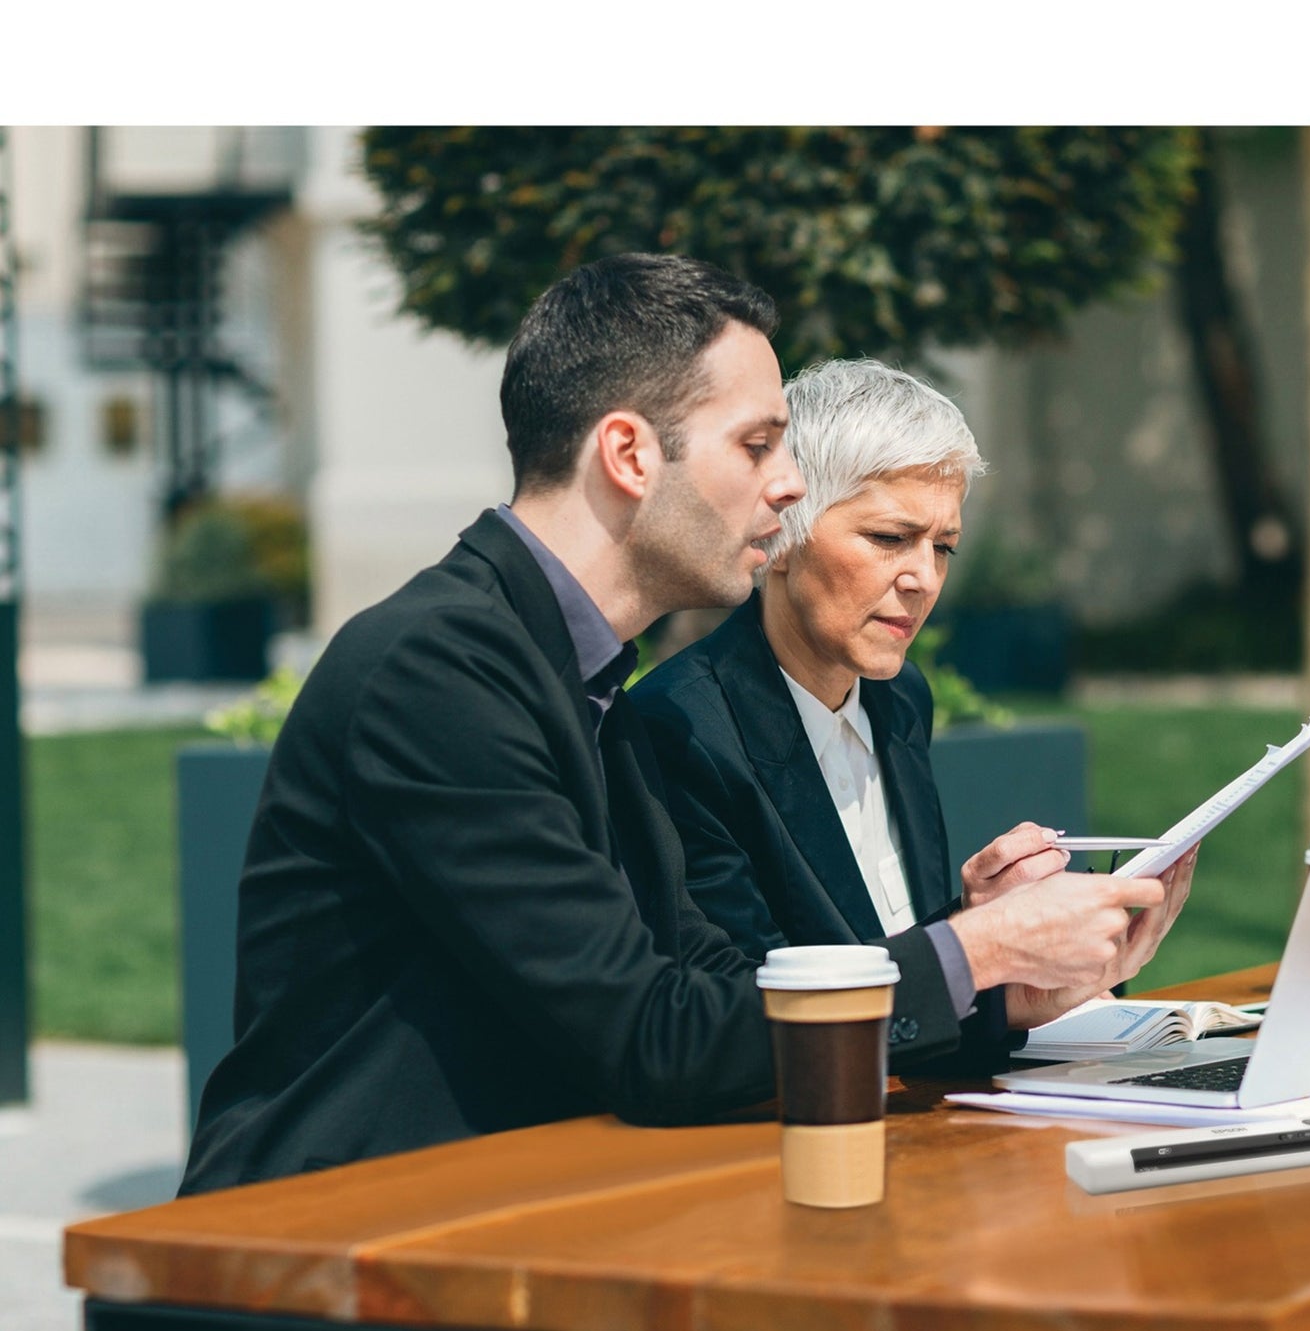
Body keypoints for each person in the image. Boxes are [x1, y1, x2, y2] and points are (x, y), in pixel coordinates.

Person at [180, 256, 1186, 1194]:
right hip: (327, 1257)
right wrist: (977, 946)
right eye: (756, 446)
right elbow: (654, 1040)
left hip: (501, 1225)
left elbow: (725, 998)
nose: (788, 485)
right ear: (626, 453)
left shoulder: (582, 678)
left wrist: (1007, 984)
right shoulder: (440, 673)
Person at [631, 357, 1196, 1076]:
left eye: (944, 547)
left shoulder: (900, 699)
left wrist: (997, 940)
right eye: (889, 539)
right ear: (780, 534)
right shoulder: (680, 729)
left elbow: (894, 969)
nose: (923, 578)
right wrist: (982, 945)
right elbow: (752, 1019)